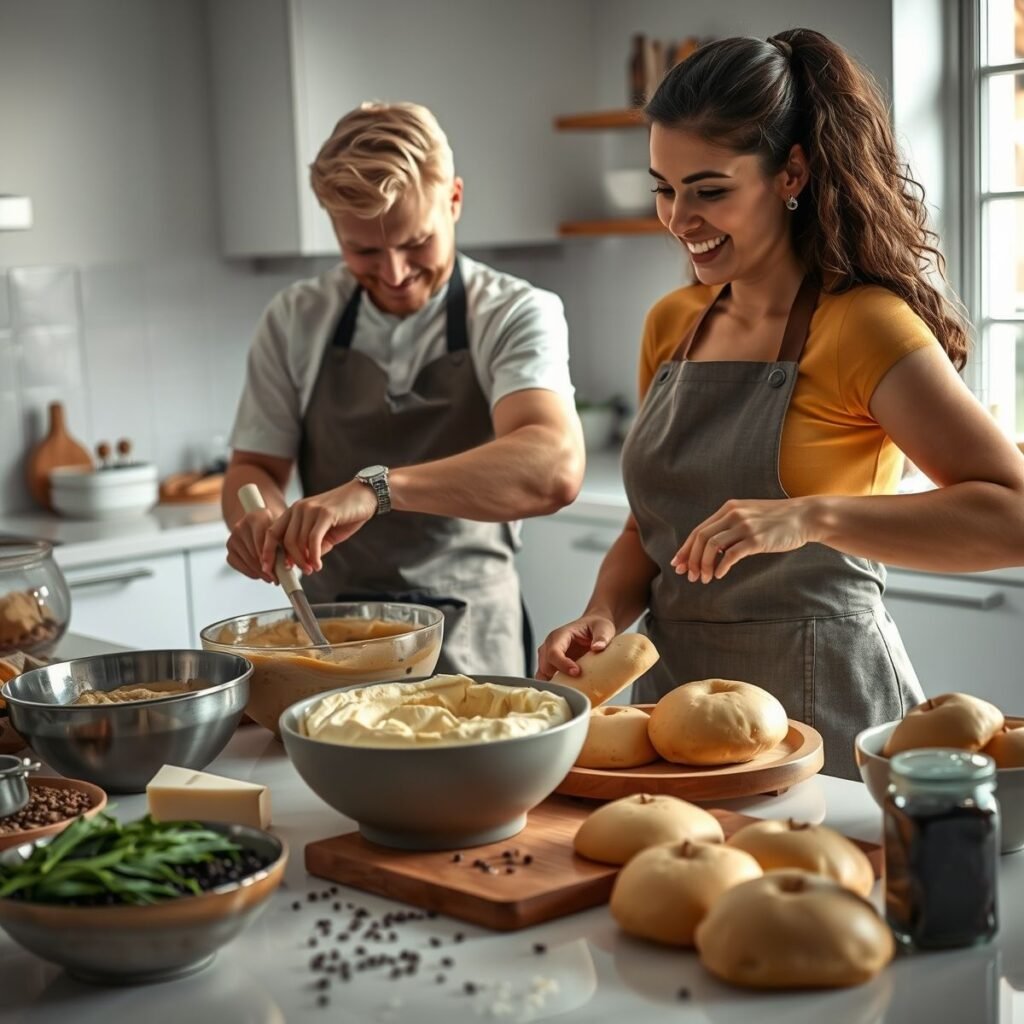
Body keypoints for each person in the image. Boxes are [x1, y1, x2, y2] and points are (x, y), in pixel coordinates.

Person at [537, 29, 1024, 779]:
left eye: (710, 189)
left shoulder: (864, 326)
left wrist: (812, 516)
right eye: (663, 188)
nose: (678, 218)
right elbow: (652, 525)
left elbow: (1011, 517)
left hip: (826, 711)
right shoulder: (672, 324)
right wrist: (604, 611)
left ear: (789, 172)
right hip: (671, 714)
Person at [223, 101, 584, 676]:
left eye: (416, 242)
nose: (393, 273)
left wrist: (377, 490)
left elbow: (553, 467)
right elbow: (254, 468)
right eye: (363, 250)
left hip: (473, 636)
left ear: (455, 200)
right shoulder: (296, 317)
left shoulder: (516, 311)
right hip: (332, 642)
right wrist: (258, 519)